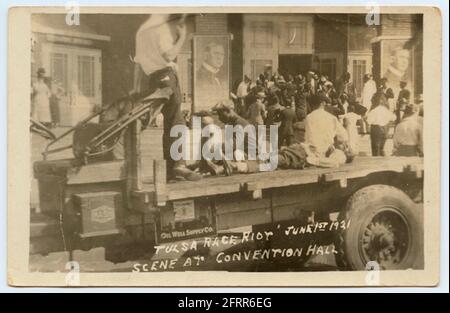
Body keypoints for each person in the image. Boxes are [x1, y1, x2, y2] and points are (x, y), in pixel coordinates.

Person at [132, 14, 201, 181]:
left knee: (161, 122)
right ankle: (178, 165)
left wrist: (135, 89)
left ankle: (171, 170)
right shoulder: (161, 28)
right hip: (167, 76)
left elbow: (138, 64)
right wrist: (181, 38)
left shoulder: (142, 30)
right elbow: (169, 55)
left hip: (152, 79)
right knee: (176, 121)